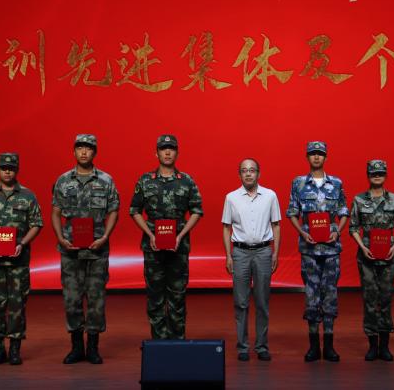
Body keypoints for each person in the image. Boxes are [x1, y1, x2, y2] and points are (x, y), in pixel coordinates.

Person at [50, 134, 120, 365]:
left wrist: (105, 237)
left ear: (94, 152)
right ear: (74, 151)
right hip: (70, 250)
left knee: (96, 300)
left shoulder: (106, 180)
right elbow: (55, 212)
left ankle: (93, 347)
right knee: (71, 299)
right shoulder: (63, 181)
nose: (83, 152)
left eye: (88, 148)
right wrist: (60, 238)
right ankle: (76, 347)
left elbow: (114, 210)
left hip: (96, 250)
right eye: (79, 147)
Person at [129, 134, 204, 339]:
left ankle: (177, 343)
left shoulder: (186, 181)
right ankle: (158, 344)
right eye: (163, 149)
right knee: (155, 297)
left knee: (177, 297)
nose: (168, 152)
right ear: (157, 153)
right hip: (152, 247)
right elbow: (134, 210)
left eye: (171, 149)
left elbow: (197, 211)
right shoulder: (145, 180)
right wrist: (150, 234)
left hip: (178, 247)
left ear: (177, 153)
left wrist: (180, 235)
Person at [0, 152, 43, 365]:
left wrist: (22, 243)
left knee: (17, 305)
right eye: (4, 168)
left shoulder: (28, 196)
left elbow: (37, 224)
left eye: (11, 168)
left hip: (18, 261)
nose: (7, 171)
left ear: (17, 170)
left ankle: (14, 349)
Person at [286, 141, 349, 362]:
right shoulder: (299, 183)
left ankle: (329, 345)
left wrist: (337, 231)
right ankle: (313, 346)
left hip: (331, 249)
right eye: (312, 153)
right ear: (307, 157)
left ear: (325, 157)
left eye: (320, 153)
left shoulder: (337, 183)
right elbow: (292, 212)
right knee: (311, 295)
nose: (316, 157)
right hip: (309, 248)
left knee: (330, 294)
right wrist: (302, 233)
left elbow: (343, 211)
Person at [221, 157, 282, 362]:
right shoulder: (231, 198)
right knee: (241, 302)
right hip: (240, 253)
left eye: (252, 170)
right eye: (244, 170)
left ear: (258, 173)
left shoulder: (270, 196)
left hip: (264, 252)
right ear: (239, 174)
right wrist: (228, 255)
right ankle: (243, 347)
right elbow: (226, 227)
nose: (248, 173)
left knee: (262, 301)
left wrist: (275, 253)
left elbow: (276, 225)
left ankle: (262, 346)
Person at [348, 159, 394, 361]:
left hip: (389, 256)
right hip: (367, 257)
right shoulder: (359, 200)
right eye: (373, 173)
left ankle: (385, 345)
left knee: (386, 299)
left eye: (380, 173)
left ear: (385, 175)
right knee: (370, 300)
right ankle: (372, 344)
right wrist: (362, 246)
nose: (377, 176)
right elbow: (353, 227)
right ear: (368, 176)